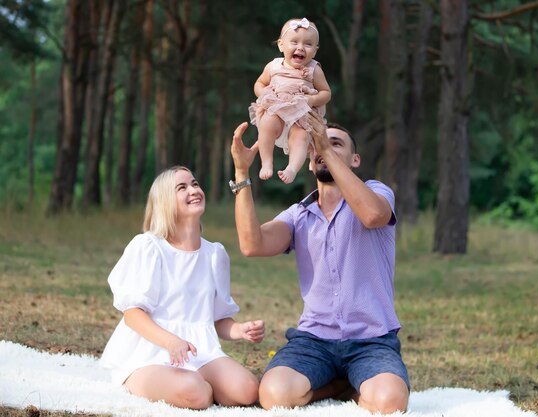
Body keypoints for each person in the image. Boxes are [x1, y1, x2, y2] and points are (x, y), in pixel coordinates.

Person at [229, 112, 410, 414]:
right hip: (313, 341)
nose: (324, 147)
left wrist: (323, 145)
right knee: (274, 394)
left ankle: (354, 382)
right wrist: (241, 173)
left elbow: (373, 216)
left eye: (336, 144)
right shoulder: (299, 214)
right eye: (317, 145)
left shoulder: (377, 192)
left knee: (390, 403)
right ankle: (343, 386)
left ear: (355, 160)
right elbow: (252, 244)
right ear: (310, 161)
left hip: (372, 341)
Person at [100, 166, 265, 410]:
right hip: (150, 351)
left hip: (200, 351)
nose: (194, 190)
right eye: (182, 187)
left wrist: (240, 329)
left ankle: (197, 385)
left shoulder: (214, 254)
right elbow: (133, 315)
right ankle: (140, 383)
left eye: (195, 184)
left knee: (247, 390)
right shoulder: (149, 247)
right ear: (165, 201)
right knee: (195, 392)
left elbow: (218, 319)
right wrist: (171, 342)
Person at [249, 17, 331, 185]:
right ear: (281, 45)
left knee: (300, 136)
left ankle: (292, 168)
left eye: (308, 44)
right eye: (294, 42)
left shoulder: (314, 69)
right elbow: (259, 83)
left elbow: (326, 93)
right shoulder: (273, 66)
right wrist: (263, 92)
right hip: (277, 110)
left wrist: (313, 99)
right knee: (266, 123)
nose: (300, 47)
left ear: (315, 51)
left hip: (301, 115)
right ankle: (266, 162)